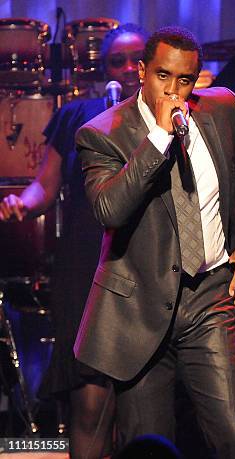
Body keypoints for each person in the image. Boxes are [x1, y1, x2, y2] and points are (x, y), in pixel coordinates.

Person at [73, 26, 235, 457]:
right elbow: (109, 211)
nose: (173, 90)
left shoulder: (222, 109)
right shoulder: (102, 133)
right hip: (138, 309)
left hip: (212, 295)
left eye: (185, 80)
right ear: (141, 72)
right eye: (162, 76)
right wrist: (158, 138)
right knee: (149, 446)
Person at [0, 23, 148, 459]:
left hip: (147, 261)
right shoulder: (77, 114)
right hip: (88, 260)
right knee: (90, 393)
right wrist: (21, 205)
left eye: (135, 58)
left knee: (143, 402)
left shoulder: (169, 116)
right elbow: (44, 186)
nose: (126, 68)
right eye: (115, 61)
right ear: (102, 70)